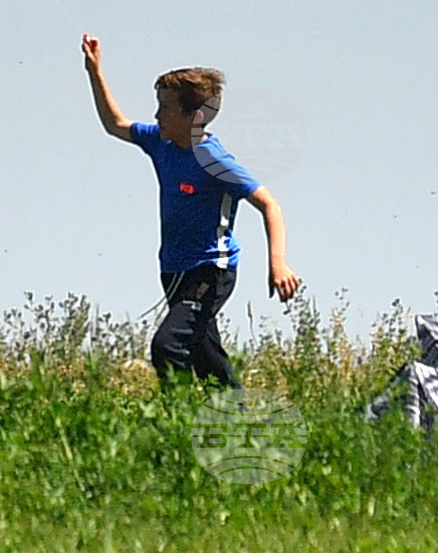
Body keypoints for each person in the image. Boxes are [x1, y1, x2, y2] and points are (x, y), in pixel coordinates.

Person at [81, 33, 300, 385]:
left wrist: (278, 264)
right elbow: (114, 124)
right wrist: (95, 71)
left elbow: (269, 204)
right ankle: (232, 413)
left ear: (193, 116)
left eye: (165, 107)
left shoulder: (214, 160)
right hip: (173, 271)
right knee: (207, 360)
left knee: (168, 346)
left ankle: (177, 415)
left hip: (210, 271)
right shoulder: (161, 142)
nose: (157, 115)